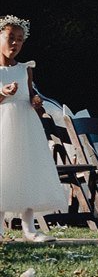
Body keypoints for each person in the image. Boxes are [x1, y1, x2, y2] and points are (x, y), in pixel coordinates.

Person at [0, 15, 69, 240]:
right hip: (3, 124)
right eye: (11, 38)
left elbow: (30, 95)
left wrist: (36, 101)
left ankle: (29, 228)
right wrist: (3, 93)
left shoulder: (26, 68)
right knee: (4, 170)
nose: (15, 44)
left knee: (26, 169)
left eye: (20, 40)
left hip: (25, 125)